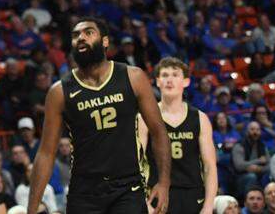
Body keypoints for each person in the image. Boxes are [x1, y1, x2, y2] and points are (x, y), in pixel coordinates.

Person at [26, 17, 171, 214]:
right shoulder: (59, 92)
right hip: (84, 191)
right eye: (76, 35)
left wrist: (163, 183)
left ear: (105, 42)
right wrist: (31, 209)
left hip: (127, 187)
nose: (81, 38)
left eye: (88, 33)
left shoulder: (132, 77)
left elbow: (158, 131)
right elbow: (46, 153)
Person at [137, 57, 218, 214]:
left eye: (175, 75)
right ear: (157, 81)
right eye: (165, 75)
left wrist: (208, 206)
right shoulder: (145, 117)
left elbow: (209, 167)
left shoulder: (200, 118)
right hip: (158, 193)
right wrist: (143, 201)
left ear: (186, 81)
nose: (170, 80)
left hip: (192, 193)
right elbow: (136, 163)